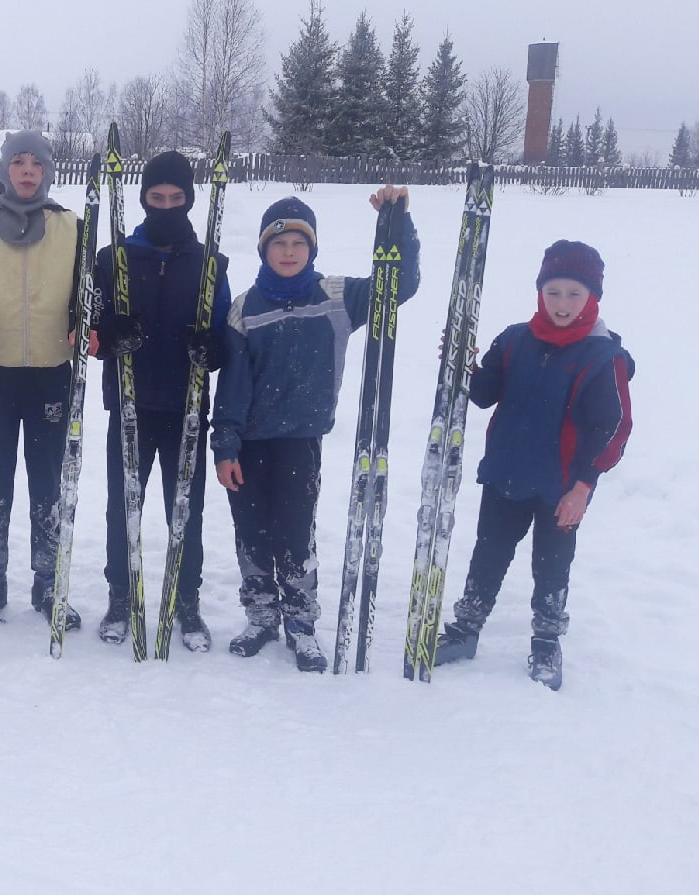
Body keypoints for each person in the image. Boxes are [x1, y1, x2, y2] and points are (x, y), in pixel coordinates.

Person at [211, 188, 419, 671]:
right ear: (263, 249)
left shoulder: (337, 297)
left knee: (295, 533)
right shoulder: (245, 308)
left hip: (301, 440)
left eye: (298, 243)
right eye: (278, 243)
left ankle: (301, 624)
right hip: (248, 441)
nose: (288, 252)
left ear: (312, 249)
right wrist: (225, 444)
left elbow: (398, 285)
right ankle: (261, 615)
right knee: (251, 532)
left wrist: (397, 226)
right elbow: (233, 386)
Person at [432, 240, 634, 690]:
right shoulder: (515, 339)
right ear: (540, 292)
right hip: (506, 474)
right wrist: (462, 364)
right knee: (488, 554)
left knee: (551, 566)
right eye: (554, 292)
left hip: (562, 487)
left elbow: (614, 428)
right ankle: (465, 630)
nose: (562, 304)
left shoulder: (605, 357)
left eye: (574, 294)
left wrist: (583, 487)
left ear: (592, 297)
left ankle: (546, 643)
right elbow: (485, 394)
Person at [91, 150, 230, 651]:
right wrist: (111, 335)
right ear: (143, 198)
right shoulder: (115, 259)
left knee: (184, 508)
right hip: (129, 404)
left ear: (189, 200)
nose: (166, 205)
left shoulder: (210, 263)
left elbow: (223, 332)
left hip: (186, 406)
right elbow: (91, 328)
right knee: (121, 506)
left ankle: (185, 599)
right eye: (156, 197)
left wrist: (210, 349)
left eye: (175, 198)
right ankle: (121, 595)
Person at [0, 131, 84, 629]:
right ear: (5, 170)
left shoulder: (72, 226)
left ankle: (49, 583)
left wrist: (82, 325)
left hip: (52, 372)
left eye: (36, 163)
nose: (26, 171)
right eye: (18, 162)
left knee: (49, 482)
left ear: (48, 171)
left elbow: (87, 291)